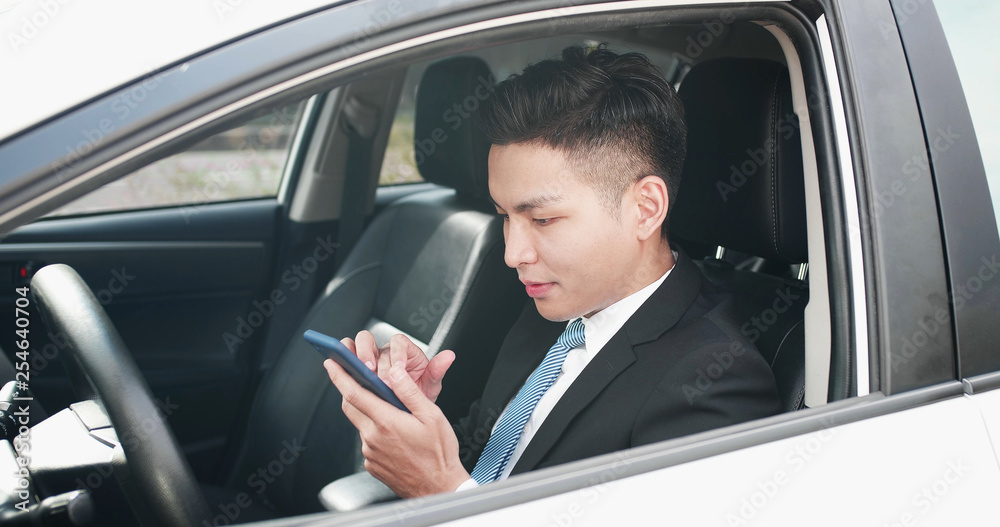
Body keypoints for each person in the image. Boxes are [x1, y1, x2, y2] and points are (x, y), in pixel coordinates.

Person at [324, 44, 782, 498]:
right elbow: (492, 473)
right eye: (505, 216)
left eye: (542, 220)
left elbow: (460, 492)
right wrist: (416, 416)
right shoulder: (559, 311)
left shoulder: (715, 382)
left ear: (645, 209)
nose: (513, 254)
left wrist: (438, 491)